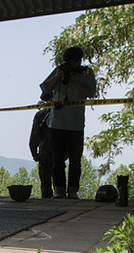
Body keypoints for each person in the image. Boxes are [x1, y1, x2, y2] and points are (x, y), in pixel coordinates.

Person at [40, 46, 97, 199]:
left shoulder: (86, 73)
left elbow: (90, 93)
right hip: (56, 123)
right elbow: (45, 89)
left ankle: (73, 190)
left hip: (75, 124)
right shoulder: (59, 70)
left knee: (75, 160)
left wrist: (73, 78)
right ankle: (58, 189)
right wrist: (58, 75)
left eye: (73, 62)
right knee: (57, 159)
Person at [29, 91, 54, 198]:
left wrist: (34, 152)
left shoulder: (41, 115)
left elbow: (35, 135)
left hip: (45, 151)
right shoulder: (61, 114)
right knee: (57, 181)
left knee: (45, 182)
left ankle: (48, 199)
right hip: (52, 152)